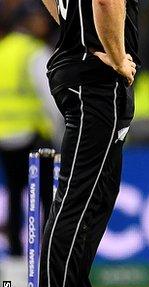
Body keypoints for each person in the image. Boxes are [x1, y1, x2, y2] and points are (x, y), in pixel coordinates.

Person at [31, 0, 138, 287]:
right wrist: (118, 56)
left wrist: (69, 21)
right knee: (79, 197)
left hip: (82, 70)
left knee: (96, 197)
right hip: (94, 76)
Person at [0, 1, 56, 258]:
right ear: (27, 21)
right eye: (38, 19)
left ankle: (14, 251)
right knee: (45, 194)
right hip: (34, 134)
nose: (44, 23)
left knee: (14, 192)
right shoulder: (34, 52)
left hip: (5, 134)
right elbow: (49, 95)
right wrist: (60, 129)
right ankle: (46, 251)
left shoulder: (3, 50)